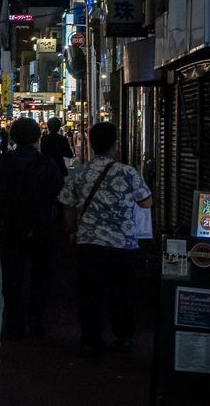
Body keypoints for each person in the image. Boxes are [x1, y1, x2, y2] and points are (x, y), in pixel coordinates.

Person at [58, 121, 153, 357]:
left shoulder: (79, 172)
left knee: (90, 293)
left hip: (89, 244)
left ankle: (91, 340)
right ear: (115, 145)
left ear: (90, 144)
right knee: (122, 292)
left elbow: (67, 207)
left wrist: (72, 231)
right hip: (123, 244)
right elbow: (147, 202)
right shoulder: (128, 172)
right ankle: (124, 337)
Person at [0, 117, 64, 339]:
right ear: (38, 137)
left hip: (10, 227)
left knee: (12, 278)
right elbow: (60, 194)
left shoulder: (2, 162)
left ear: (13, 137)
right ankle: (37, 323)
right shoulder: (47, 163)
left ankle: (15, 324)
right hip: (41, 227)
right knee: (41, 276)